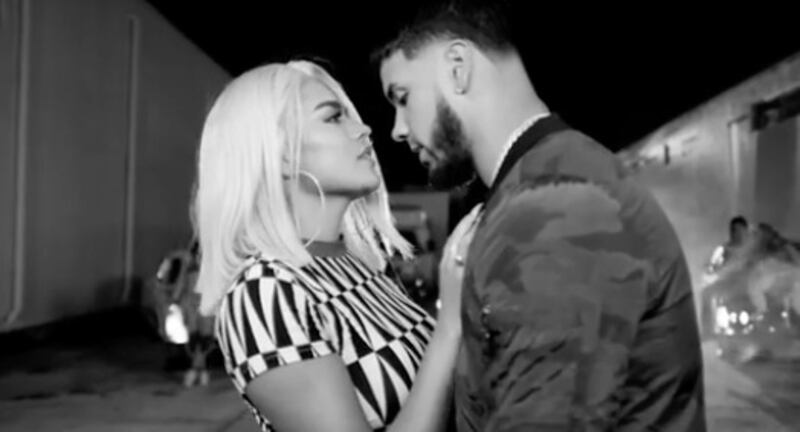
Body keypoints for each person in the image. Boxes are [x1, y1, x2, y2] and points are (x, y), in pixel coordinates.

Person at [374, 1, 707, 430]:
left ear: (458, 68)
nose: (397, 129)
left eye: (403, 98)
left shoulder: (552, 211)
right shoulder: (546, 183)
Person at [192, 60, 464, 432]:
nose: (364, 129)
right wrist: (450, 325)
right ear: (281, 153)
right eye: (334, 117)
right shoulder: (264, 292)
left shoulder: (360, 265)